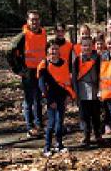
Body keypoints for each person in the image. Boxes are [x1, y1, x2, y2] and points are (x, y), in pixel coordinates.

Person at [7, 10, 47, 138]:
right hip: (28, 72)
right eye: (32, 19)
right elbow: (9, 52)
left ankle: (39, 125)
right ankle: (30, 127)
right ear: (27, 21)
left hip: (40, 71)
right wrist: (18, 69)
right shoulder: (22, 36)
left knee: (39, 99)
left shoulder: (43, 33)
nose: (35, 22)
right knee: (29, 101)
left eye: (36, 19)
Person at [37, 40, 76, 156]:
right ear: (48, 50)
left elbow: (68, 81)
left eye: (56, 49)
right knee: (51, 123)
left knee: (60, 123)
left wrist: (69, 95)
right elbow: (41, 85)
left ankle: (59, 144)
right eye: (52, 49)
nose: (54, 51)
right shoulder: (44, 64)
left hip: (62, 97)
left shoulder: (64, 63)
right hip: (51, 98)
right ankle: (47, 147)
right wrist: (49, 100)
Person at [72, 36, 102, 147]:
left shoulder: (97, 57)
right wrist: (75, 93)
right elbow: (74, 78)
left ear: (92, 46)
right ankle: (86, 135)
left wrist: (100, 89)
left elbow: (100, 74)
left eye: (89, 45)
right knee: (84, 115)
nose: (87, 47)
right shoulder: (77, 59)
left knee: (96, 114)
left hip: (94, 89)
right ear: (81, 47)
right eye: (84, 45)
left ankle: (98, 134)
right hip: (82, 89)